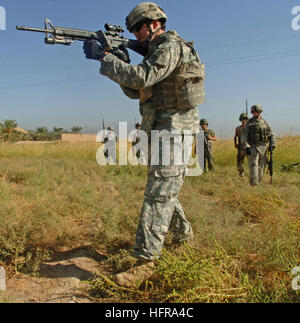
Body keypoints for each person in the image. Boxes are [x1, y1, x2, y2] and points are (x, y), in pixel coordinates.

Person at [83, 2, 205, 286]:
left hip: (175, 132)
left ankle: (145, 263)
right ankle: (184, 240)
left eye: (138, 27)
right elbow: (136, 89)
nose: (136, 33)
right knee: (164, 189)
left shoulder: (169, 46)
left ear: (154, 23)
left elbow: (142, 77)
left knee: (158, 194)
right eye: (132, 29)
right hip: (160, 131)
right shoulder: (156, 51)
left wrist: (107, 59)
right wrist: (117, 59)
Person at [242, 104, 276, 186]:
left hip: (263, 147)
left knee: (262, 165)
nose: (256, 113)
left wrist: (272, 145)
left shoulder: (264, 122)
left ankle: (259, 181)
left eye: (258, 111)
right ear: (252, 112)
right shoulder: (249, 123)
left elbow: (271, 134)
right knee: (253, 165)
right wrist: (247, 146)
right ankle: (254, 183)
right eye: (254, 112)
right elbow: (244, 136)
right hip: (253, 146)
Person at [234, 113, 249, 177]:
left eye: (245, 119)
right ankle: (241, 173)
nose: (244, 121)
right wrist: (236, 144)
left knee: (251, 161)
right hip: (241, 147)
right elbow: (235, 137)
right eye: (242, 119)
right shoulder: (238, 128)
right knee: (240, 161)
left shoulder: (250, 127)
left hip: (249, 147)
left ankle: (252, 173)